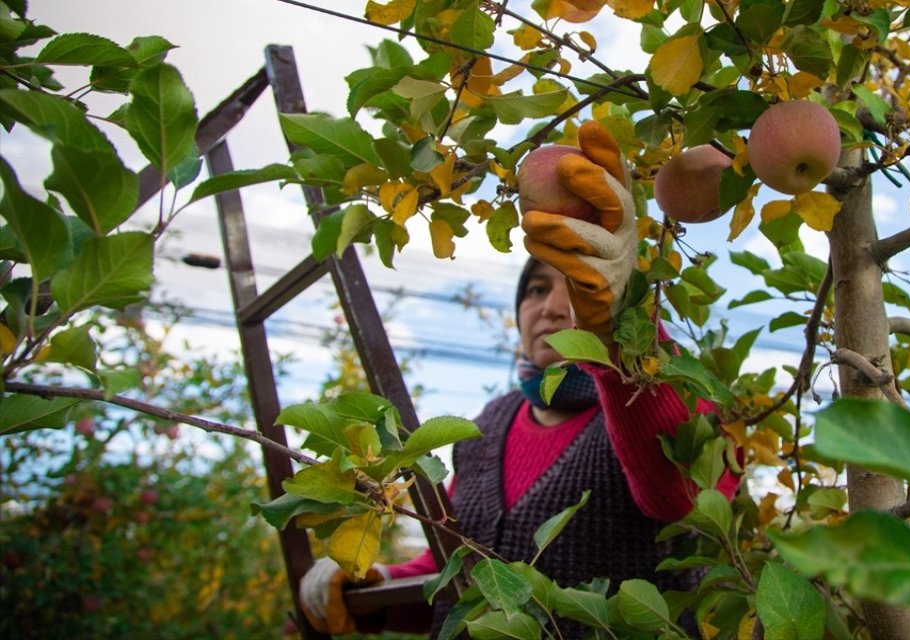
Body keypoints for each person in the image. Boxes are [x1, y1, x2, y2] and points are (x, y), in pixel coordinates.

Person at [300, 121, 739, 635]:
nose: (552, 308)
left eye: (573, 284)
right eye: (534, 290)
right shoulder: (486, 428)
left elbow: (681, 497)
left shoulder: (674, 394)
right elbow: (456, 569)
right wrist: (371, 582)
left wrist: (626, 329)